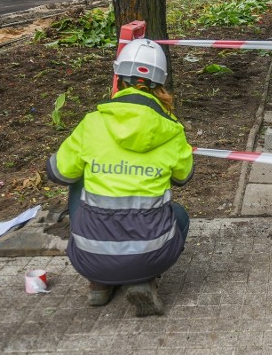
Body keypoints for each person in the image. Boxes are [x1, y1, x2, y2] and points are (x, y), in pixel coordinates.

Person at [46, 39, 193, 316]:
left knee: (77, 177)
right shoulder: (172, 130)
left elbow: (58, 171)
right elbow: (184, 177)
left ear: (118, 78)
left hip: (89, 257)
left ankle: (98, 284)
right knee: (180, 216)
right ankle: (144, 279)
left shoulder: (92, 123)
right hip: (151, 256)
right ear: (161, 81)